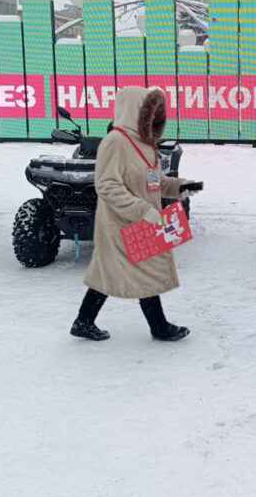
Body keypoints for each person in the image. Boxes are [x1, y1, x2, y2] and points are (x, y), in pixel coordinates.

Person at [72, 86, 201, 342]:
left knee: (110, 273)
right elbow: (107, 185)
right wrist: (141, 210)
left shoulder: (145, 146)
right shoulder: (115, 143)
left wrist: (179, 187)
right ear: (134, 112)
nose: (153, 118)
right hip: (120, 223)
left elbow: (153, 181)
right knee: (143, 272)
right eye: (148, 112)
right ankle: (159, 327)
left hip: (143, 221)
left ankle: (84, 321)